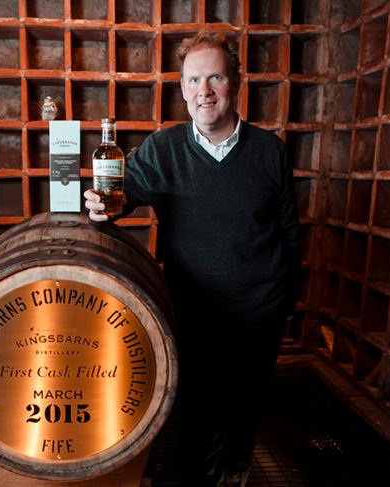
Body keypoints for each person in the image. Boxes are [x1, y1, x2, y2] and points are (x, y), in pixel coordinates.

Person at [84, 32, 301, 487]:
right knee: (194, 407)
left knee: (246, 404)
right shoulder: (162, 150)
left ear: (235, 82)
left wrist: (284, 303)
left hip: (259, 309)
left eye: (216, 77)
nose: (205, 90)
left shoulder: (269, 151)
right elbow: (121, 195)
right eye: (194, 79)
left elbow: (288, 233)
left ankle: (238, 468)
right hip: (194, 309)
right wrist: (102, 205)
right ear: (182, 89)